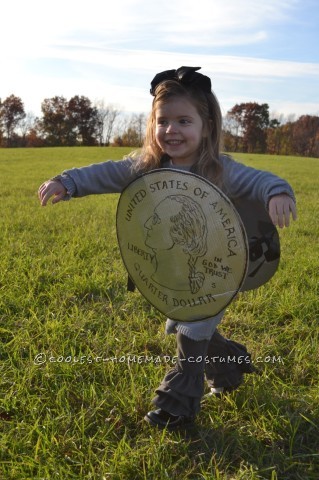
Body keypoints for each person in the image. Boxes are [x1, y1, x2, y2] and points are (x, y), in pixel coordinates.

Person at [38, 66, 297, 430]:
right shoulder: (146, 166)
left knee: (191, 330)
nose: (171, 130)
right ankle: (229, 365)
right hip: (171, 269)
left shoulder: (220, 169)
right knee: (186, 326)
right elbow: (105, 172)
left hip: (216, 271)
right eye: (163, 122)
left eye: (184, 121)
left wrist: (278, 193)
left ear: (206, 126)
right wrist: (68, 182)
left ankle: (176, 406)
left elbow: (261, 180)